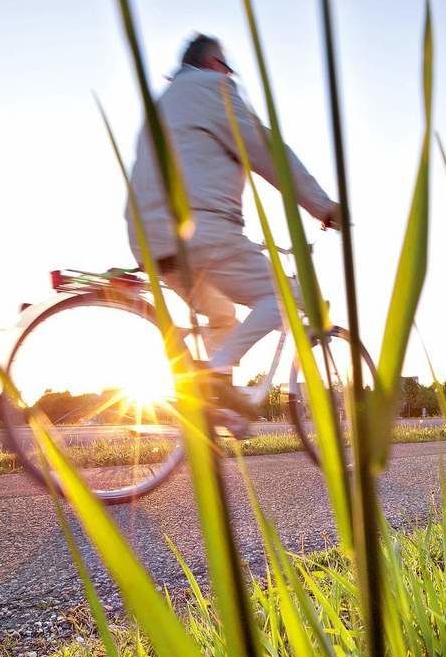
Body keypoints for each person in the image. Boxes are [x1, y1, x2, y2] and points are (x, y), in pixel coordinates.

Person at [126, 33, 340, 417]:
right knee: (286, 297)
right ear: (214, 64)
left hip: (150, 240)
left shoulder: (164, 105)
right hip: (199, 230)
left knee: (222, 314)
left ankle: (217, 407)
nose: (229, 74)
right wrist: (323, 207)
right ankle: (214, 372)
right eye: (227, 67)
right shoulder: (212, 88)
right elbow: (265, 149)